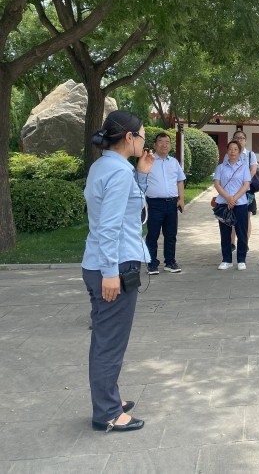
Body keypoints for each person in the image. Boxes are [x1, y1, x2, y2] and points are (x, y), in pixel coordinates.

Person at [82, 110, 154, 432]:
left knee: (105, 339)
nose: (144, 142)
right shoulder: (118, 172)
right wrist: (111, 272)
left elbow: (128, 210)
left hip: (97, 262)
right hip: (114, 266)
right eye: (142, 136)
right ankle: (107, 413)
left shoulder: (104, 166)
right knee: (110, 343)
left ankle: (109, 398)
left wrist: (142, 175)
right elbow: (110, 227)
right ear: (129, 137)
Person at [145, 132, 186, 275]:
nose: (164, 145)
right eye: (161, 142)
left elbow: (180, 180)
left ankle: (170, 262)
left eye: (167, 142)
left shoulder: (174, 162)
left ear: (170, 145)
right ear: (155, 144)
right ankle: (151, 263)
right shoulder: (148, 161)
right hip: (154, 204)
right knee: (153, 234)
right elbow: (141, 181)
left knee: (171, 235)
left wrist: (181, 199)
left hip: (172, 204)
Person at [214, 140, 251, 270]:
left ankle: (241, 260)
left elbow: (246, 185)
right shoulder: (220, 167)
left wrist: (234, 198)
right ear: (227, 151)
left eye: (235, 149)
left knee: (241, 232)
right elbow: (217, 184)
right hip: (224, 204)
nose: (233, 151)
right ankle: (226, 260)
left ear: (239, 152)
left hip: (240, 204)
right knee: (225, 233)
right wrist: (228, 198)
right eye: (230, 149)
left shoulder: (244, 167)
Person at [224, 131, 258, 252]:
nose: (239, 140)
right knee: (231, 216)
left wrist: (243, 184)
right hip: (231, 192)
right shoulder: (228, 155)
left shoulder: (250, 155)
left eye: (242, 138)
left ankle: (244, 243)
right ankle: (232, 242)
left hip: (246, 191)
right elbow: (224, 171)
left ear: (245, 141)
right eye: (236, 138)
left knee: (246, 217)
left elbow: (253, 170)